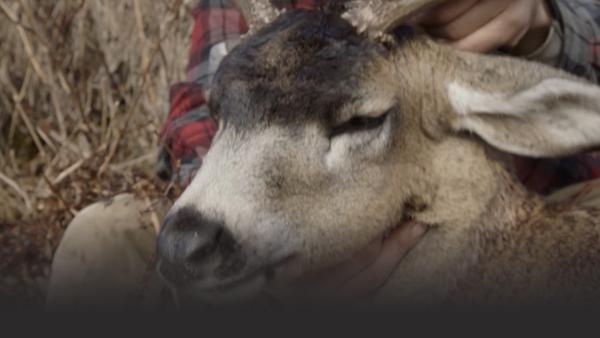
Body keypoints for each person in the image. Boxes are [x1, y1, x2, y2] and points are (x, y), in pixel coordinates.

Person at [47, 0, 600, 309]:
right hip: (300, 217)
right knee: (100, 241)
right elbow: (203, 104)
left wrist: (540, 28)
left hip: (540, 193)